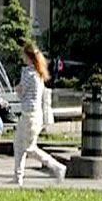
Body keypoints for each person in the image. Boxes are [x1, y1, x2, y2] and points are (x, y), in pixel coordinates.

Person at [12, 41, 66, 186]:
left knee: (29, 148)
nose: (22, 58)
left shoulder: (28, 73)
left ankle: (58, 168)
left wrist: (18, 90)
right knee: (18, 144)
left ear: (28, 56)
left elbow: (24, 95)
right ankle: (18, 177)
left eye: (24, 55)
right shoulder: (38, 73)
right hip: (34, 115)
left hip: (29, 115)